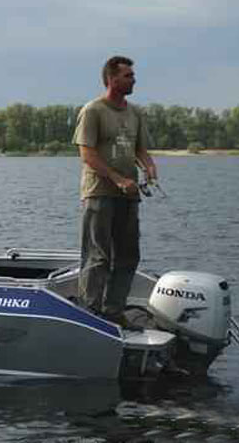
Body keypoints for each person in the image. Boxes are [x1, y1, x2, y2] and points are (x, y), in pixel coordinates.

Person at [72, 56, 157, 329]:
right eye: (128, 75)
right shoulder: (93, 110)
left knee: (128, 255)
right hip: (99, 193)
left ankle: (113, 311)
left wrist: (149, 168)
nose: (134, 79)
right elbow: (87, 154)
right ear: (112, 79)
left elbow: (140, 149)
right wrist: (118, 179)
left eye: (133, 75)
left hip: (129, 196)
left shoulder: (135, 113)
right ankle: (89, 313)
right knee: (98, 256)